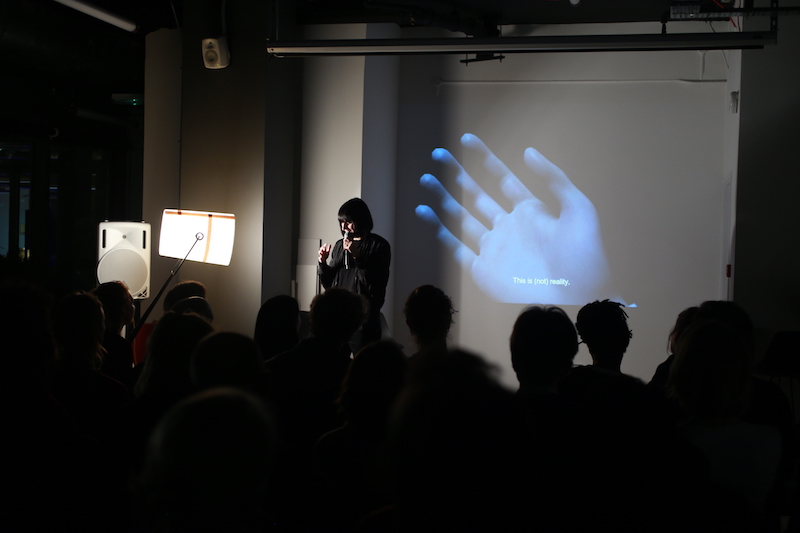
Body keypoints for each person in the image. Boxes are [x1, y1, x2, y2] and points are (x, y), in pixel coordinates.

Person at [318, 198, 390, 350]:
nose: (344, 226)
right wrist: (322, 263)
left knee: (363, 366)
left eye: (348, 221)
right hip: (338, 318)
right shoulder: (339, 245)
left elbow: (375, 286)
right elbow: (329, 284)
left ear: (360, 220)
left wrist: (358, 257)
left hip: (363, 321)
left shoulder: (378, 245)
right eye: (341, 222)